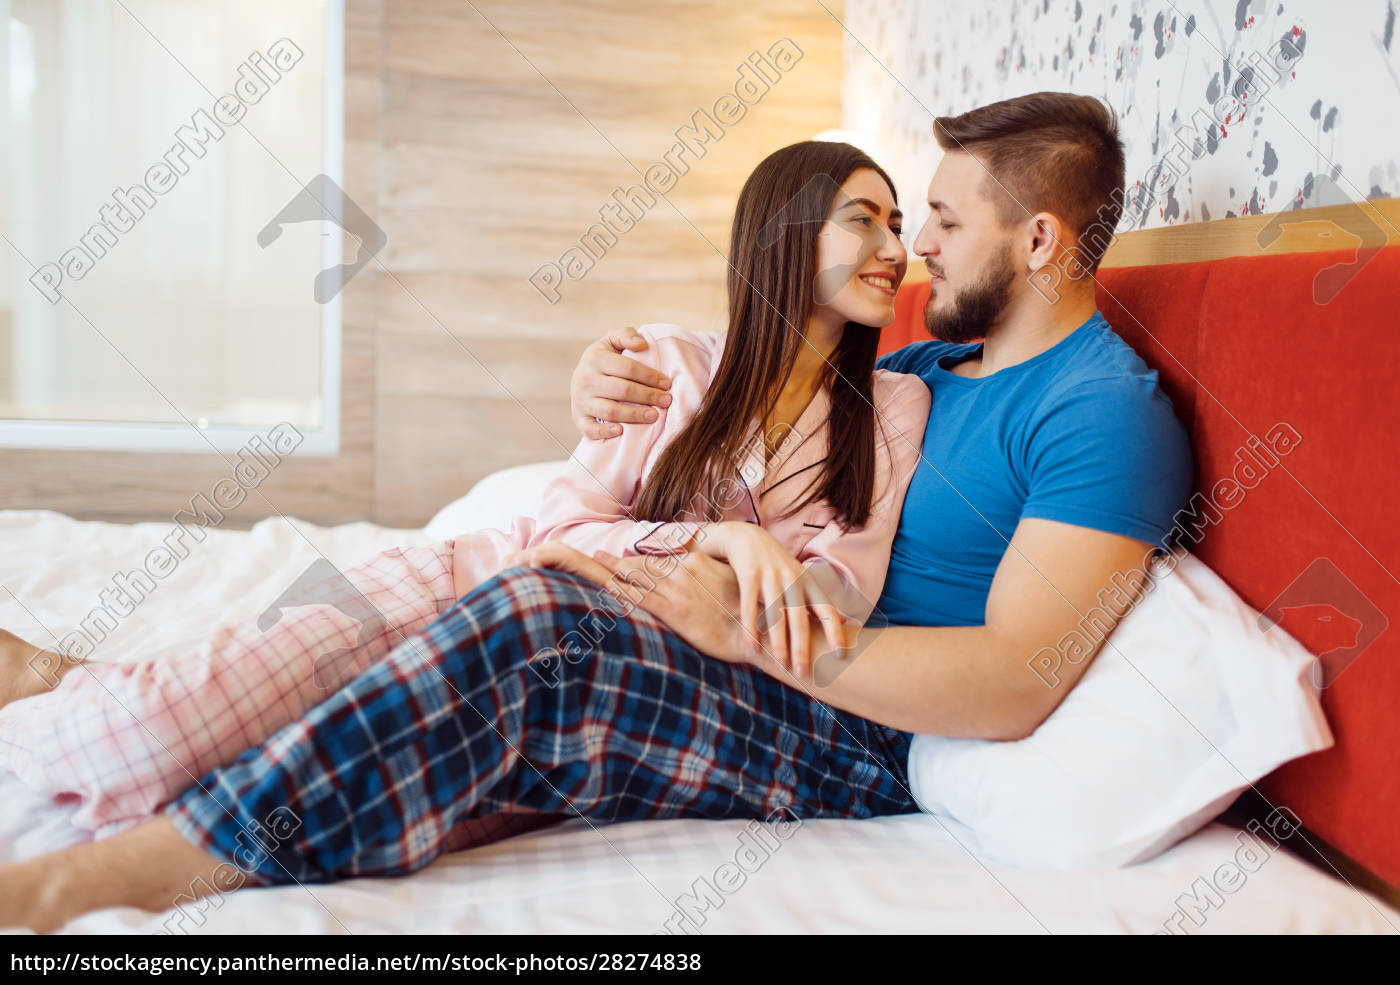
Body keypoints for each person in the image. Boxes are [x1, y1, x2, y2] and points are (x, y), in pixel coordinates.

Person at [0, 91, 1192, 934]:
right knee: (424, 634)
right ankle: (116, 700)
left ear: (1036, 238)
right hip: (759, 643)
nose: (918, 247)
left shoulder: (1101, 414)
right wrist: (606, 394)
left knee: (541, 626)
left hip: (850, 723)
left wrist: (746, 632)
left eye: (939, 220)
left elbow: (1014, 681)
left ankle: (107, 880)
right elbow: (758, 395)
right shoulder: (930, 374)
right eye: (897, 219)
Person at [0, 140, 928, 839]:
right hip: (467, 577)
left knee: (254, 754)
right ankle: (54, 680)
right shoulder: (669, 363)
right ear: (783, 235)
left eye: (899, 222)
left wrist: (749, 588)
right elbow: (563, 520)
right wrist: (716, 543)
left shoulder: (895, 404)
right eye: (864, 217)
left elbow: (841, 586)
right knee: (157, 723)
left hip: (573, 663)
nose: (894, 244)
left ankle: (70, 679)